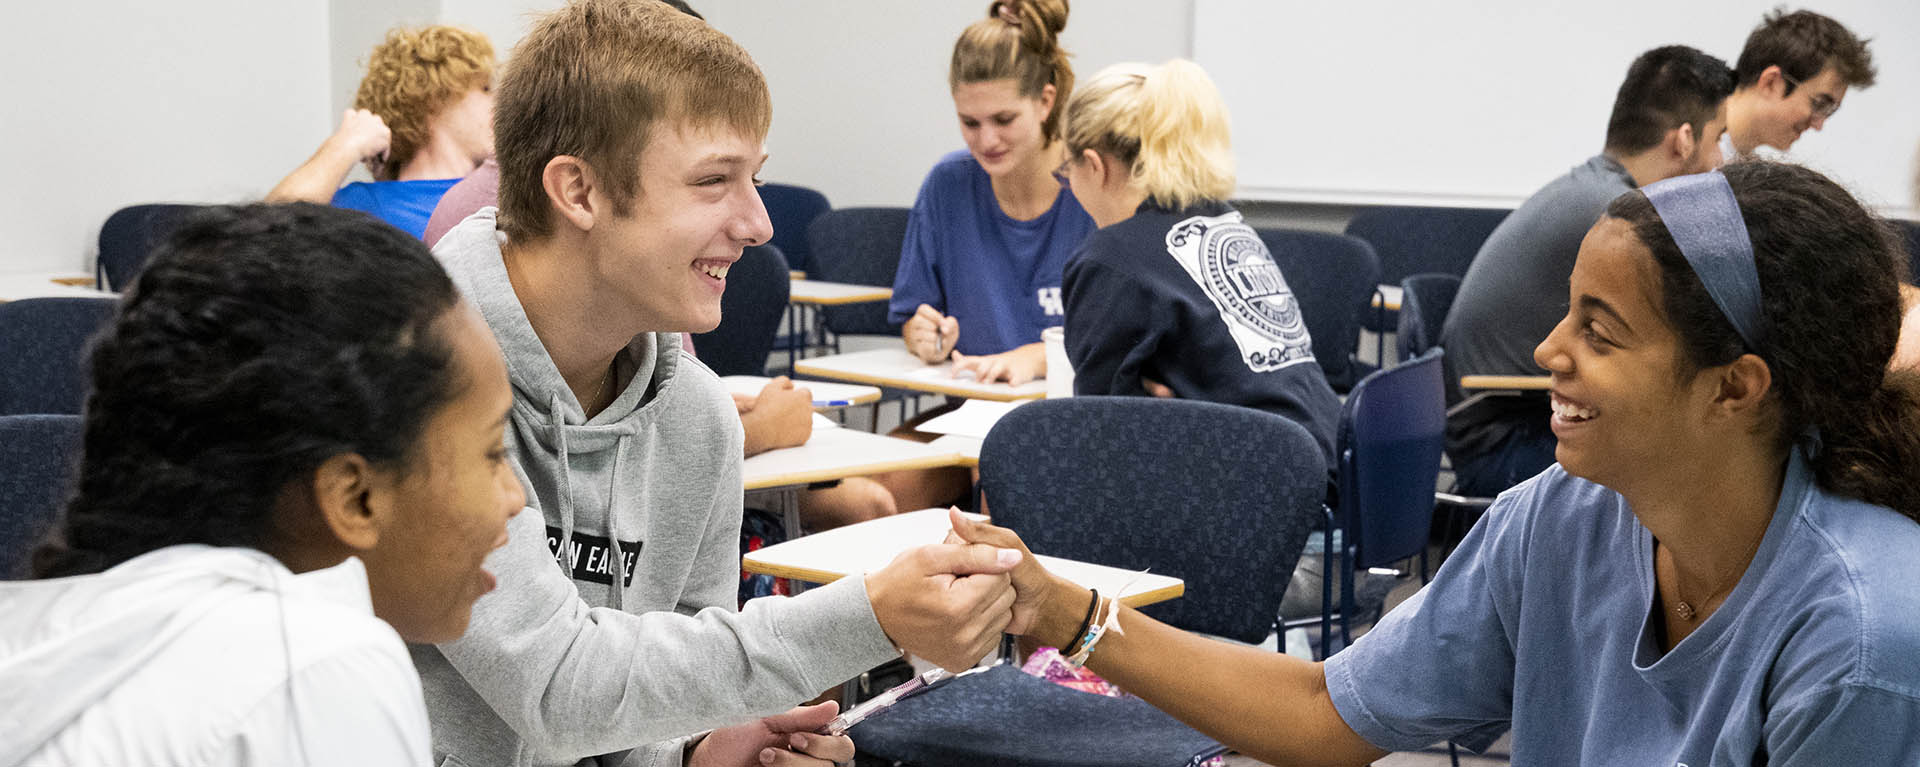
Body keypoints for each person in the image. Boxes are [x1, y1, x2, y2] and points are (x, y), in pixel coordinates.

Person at [958, 160, 1920, 764]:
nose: (1548, 350)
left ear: (1734, 389)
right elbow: (1323, 711)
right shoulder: (1560, 519)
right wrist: (1068, 614)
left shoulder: (1863, 640)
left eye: (1601, 329)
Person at [422, 3, 1018, 766]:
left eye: (756, 179)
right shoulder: (422, 381)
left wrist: (699, 751)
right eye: (715, 180)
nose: (761, 223)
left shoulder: (696, 417)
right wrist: (870, 615)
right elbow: (560, 688)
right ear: (578, 192)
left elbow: (654, 703)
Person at [0, 203, 523, 765]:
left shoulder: (50, 633)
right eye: (493, 453)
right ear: (354, 496)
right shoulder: (318, 666)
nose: (515, 498)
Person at [1441, 45, 1733, 496]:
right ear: (1685, 140)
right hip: (1505, 446)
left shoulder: (1595, 191)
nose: (1720, 163)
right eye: (1719, 140)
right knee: (1704, 460)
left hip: (1500, 425)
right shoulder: (1616, 222)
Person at [1056, 59, 1339, 464]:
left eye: (1067, 171)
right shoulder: (1223, 221)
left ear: (1095, 166)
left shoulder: (1109, 260)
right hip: (1331, 473)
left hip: (1263, 494)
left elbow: (1103, 437)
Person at [889, 0, 1094, 386]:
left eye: (1004, 119)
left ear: (1045, 102)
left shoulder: (1096, 186)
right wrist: (922, 336)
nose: (986, 140)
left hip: (1077, 424)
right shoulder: (946, 187)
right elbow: (914, 317)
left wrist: (1035, 358)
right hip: (969, 414)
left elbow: (1127, 339)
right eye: (969, 122)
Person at [268, 25, 495, 239]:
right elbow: (266, 234)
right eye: (485, 89)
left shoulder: (504, 196)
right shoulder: (367, 205)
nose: (499, 102)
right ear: (435, 99)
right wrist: (347, 145)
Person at [1722, 8, 1875, 159]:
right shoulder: (1700, 157)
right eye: (1820, 104)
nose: (1819, 125)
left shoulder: (1737, 168)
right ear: (1771, 82)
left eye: (1830, 111)